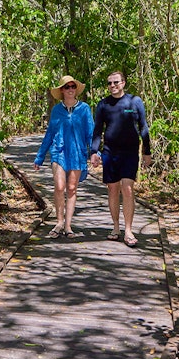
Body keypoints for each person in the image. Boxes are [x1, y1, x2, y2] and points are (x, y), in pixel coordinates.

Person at [90, 71, 151, 247]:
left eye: (116, 82)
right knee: (113, 189)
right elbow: (97, 130)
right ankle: (116, 227)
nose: (112, 86)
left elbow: (143, 127)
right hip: (110, 152)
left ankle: (129, 230)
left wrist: (147, 151)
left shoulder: (134, 102)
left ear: (123, 83)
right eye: (109, 83)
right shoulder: (103, 105)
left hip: (130, 152)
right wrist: (94, 152)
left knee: (128, 188)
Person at [33, 75, 94, 238]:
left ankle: (68, 225)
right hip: (58, 152)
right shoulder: (57, 110)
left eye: (73, 86)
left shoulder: (84, 109)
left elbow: (90, 133)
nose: (70, 90)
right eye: (67, 87)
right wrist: (39, 157)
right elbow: (49, 133)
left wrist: (95, 152)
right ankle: (58, 223)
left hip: (77, 153)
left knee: (72, 189)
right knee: (60, 187)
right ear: (62, 90)